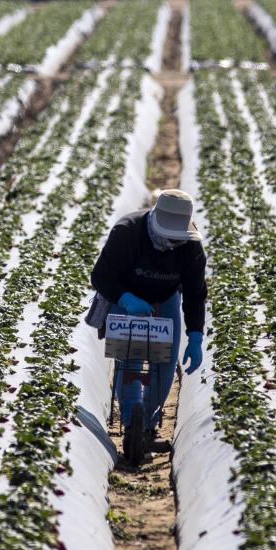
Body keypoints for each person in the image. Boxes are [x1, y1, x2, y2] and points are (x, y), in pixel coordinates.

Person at [91, 189, 207, 459]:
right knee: (128, 357)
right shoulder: (127, 232)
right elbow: (101, 275)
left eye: (176, 239)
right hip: (126, 297)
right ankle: (132, 419)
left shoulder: (190, 249)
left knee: (163, 363)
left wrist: (195, 335)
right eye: (168, 237)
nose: (171, 243)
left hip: (165, 300)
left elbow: (194, 293)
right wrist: (125, 298)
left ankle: (149, 423)